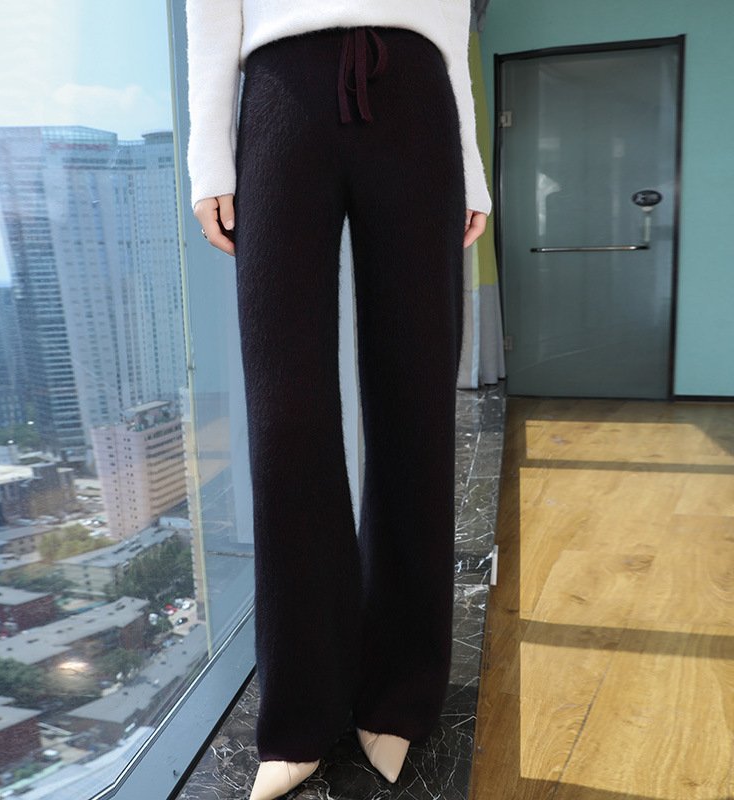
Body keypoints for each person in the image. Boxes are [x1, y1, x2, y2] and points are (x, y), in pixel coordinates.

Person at [186, 3, 491, 799]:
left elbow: (454, 29)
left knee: (417, 403)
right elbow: (210, 13)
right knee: (285, 417)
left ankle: (399, 696)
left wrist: (471, 165)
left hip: (419, 96)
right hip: (281, 93)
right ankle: (299, 713)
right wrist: (209, 158)